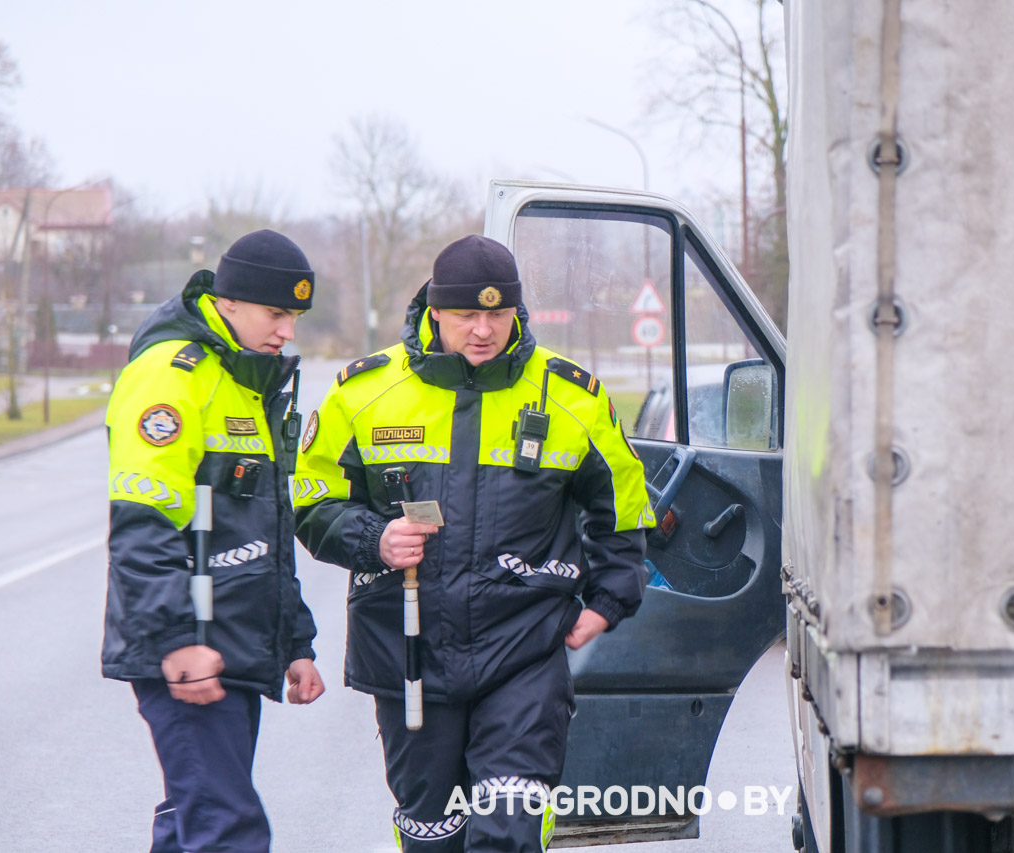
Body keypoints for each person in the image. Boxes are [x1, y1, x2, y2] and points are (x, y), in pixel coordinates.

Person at [294, 235, 653, 851]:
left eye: (498, 314)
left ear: (517, 313)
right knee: (433, 835)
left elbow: (623, 505)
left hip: (525, 654)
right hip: (406, 652)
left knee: (508, 830)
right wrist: (374, 538)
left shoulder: (572, 398)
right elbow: (309, 501)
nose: (483, 330)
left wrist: (610, 600)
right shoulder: (365, 392)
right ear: (435, 311)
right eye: (466, 315)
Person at [102, 229, 326, 853]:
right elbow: (143, 528)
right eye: (276, 313)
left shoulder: (246, 382)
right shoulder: (173, 377)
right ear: (227, 302)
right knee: (226, 829)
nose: (287, 331)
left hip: (231, 646)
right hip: (188, 646)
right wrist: (176, 641)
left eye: (295, 317)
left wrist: (295, 643)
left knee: (196, 822)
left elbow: (264, 532)